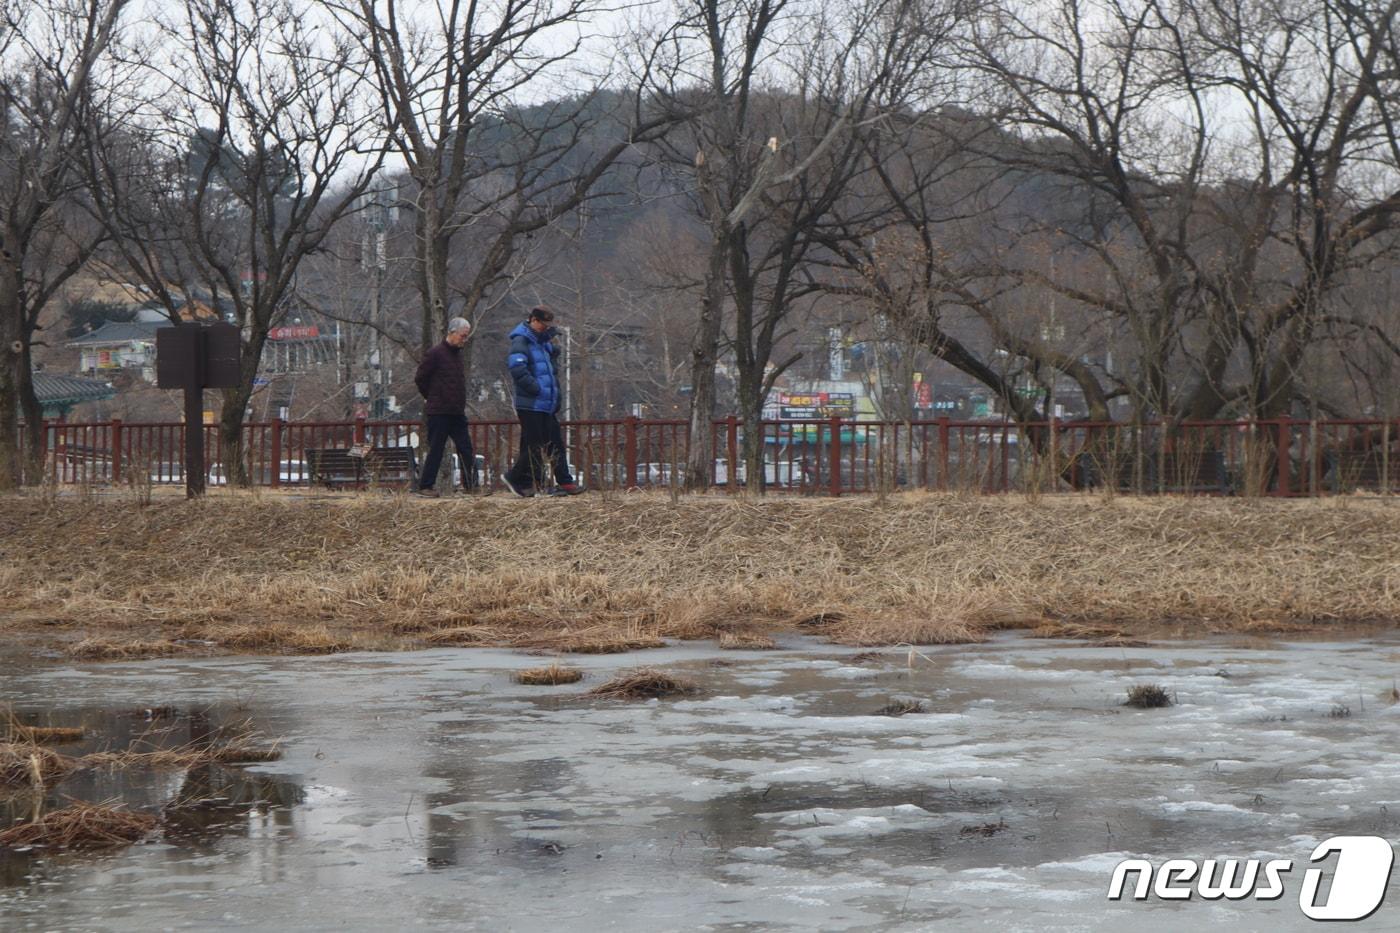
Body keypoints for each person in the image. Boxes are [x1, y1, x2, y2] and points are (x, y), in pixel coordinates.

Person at [503, 306, 582, 497]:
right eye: (543, 325)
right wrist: (536, 389)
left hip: (544, 403)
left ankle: (555, 481)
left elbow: (549, 371)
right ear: (533, 320)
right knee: (535, 445)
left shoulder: (542, 343)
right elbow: (517, 369)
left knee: (551, 442)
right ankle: (517, 478)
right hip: (531, 403)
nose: (545, 329)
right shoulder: (521, 341)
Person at [413, 317, 479, 497]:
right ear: (452, 332)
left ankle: (472, 485)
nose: (464, 340)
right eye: (462, 336)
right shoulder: (435, 353)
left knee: (466, 448)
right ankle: (426, 486)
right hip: (439, 411)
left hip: (456, 410)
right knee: (436, 449)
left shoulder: (457, 355)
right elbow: (420, 378)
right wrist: (432, 396)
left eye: (466, 337)